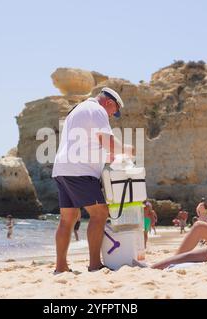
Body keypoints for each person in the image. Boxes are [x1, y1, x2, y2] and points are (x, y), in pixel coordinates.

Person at [52, 87, 133, 273]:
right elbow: (109, 142)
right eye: (114, 112)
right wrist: (129, 150)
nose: (112, 116)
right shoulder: (97, 110)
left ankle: (61, 267)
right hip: (80, 171)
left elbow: (84, 145)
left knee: (68, 219)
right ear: (109, 103)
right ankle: (95, 265)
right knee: (100, 213)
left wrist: (106, 158)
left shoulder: (78, 110)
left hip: (62, 169)